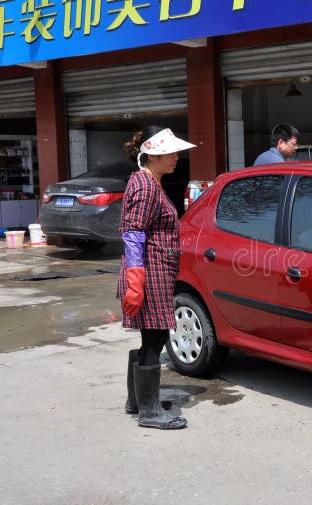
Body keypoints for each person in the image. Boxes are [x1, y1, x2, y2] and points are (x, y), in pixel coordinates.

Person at [119, 126, 195, 430]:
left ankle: (138, 401)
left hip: (156, 271)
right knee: (155, 336)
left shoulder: (150, 181)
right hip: (149, 273)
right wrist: (135, 280)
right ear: (153, 155)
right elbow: (133, 233)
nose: (177, 157)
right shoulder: (146, 186)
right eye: (172, 152)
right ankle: (149, 412)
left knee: (153, 335)